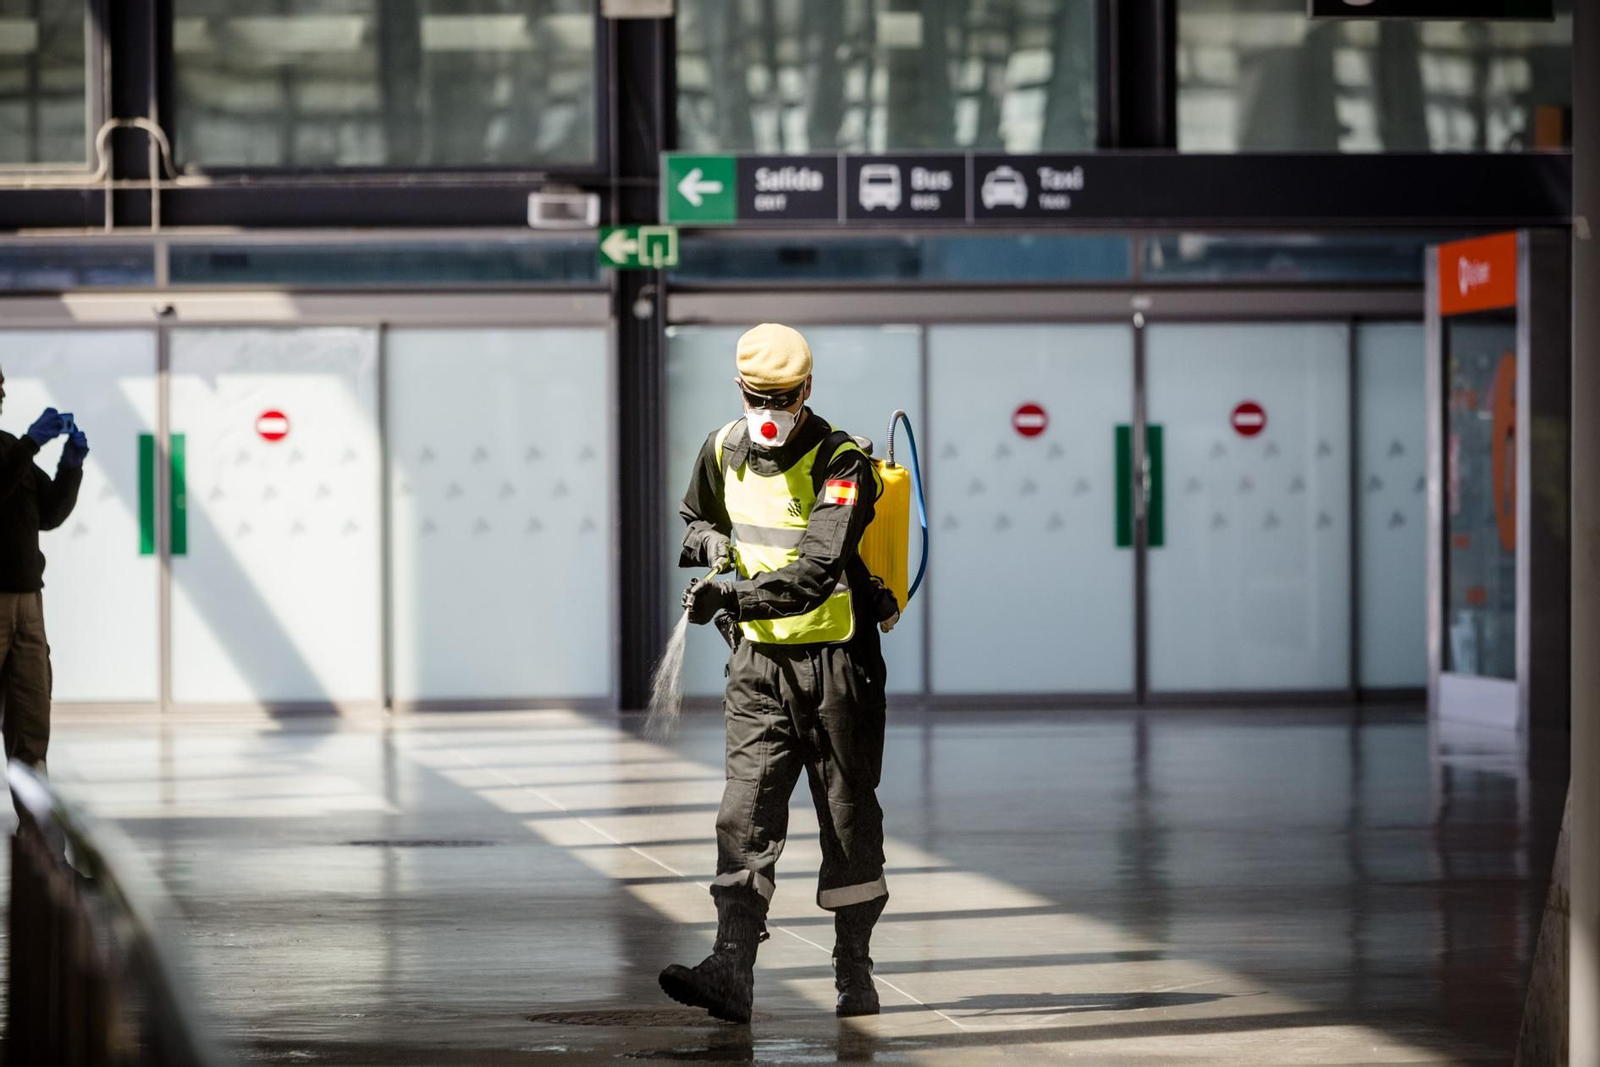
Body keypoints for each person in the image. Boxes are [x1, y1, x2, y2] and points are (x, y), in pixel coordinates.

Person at [658, 323, 898, 1025]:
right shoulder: (723, 447)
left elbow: (821, 571)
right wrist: (713, 544)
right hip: (758, 666)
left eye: (784, 396)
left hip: (837, 672)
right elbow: (693, 517)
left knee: (849, 822)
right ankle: (732, 966)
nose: (771, 407)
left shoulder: (842, 462)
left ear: (808, 390)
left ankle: (854, 966)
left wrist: (732, 595)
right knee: (744, 813)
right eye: (759, 395)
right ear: (740, 388)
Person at [0, 373, 87, 772]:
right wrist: (31, 442)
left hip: (28, 604)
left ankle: (36, 832)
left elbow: (48, 514)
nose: (2, 392)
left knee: (31, 725)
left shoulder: (7, 445)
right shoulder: (15, 450)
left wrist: (70, 467)